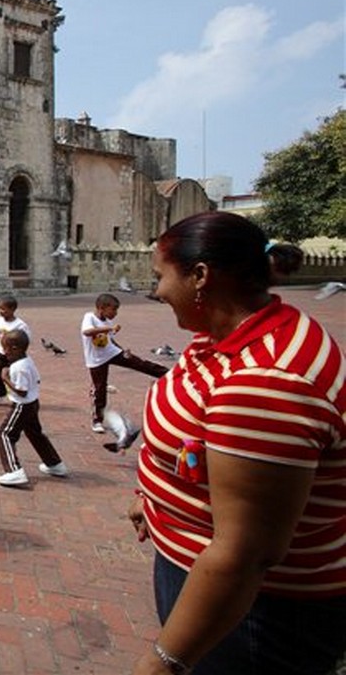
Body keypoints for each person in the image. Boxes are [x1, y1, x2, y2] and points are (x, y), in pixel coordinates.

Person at [127, 211, 346, 675]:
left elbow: (245, 555)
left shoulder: (264, 382)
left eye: (160, 277)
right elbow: (200, 432)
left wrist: (163, 660)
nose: (157, 291)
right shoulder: (236, 333)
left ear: (201, 276)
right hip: (205, 575)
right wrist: (153, 493)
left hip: (251, 613)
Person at [81, 293, 168, 434]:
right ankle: (97, 420)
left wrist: (121, 350)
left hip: (112, 352)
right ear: (101, 308)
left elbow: (110, 341)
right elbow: (87, 332)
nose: (115, 313)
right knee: (100, 389)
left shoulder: (108, 323)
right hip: (96, 360)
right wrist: (109, 329)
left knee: (139, 363)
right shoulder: (89, 317)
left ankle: (168, 373)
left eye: (116, 310)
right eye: (113, 310)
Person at [0, 329, 68, 486]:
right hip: (32, 403)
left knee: (4, 434)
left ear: (14, 348)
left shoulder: (19, 367)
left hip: (22, 405)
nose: (4, 352)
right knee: (35, 434)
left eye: (5, 348)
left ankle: (14, 471)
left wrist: (5, 379)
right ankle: (55, 464)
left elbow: (21, 391)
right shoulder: (26, 361)